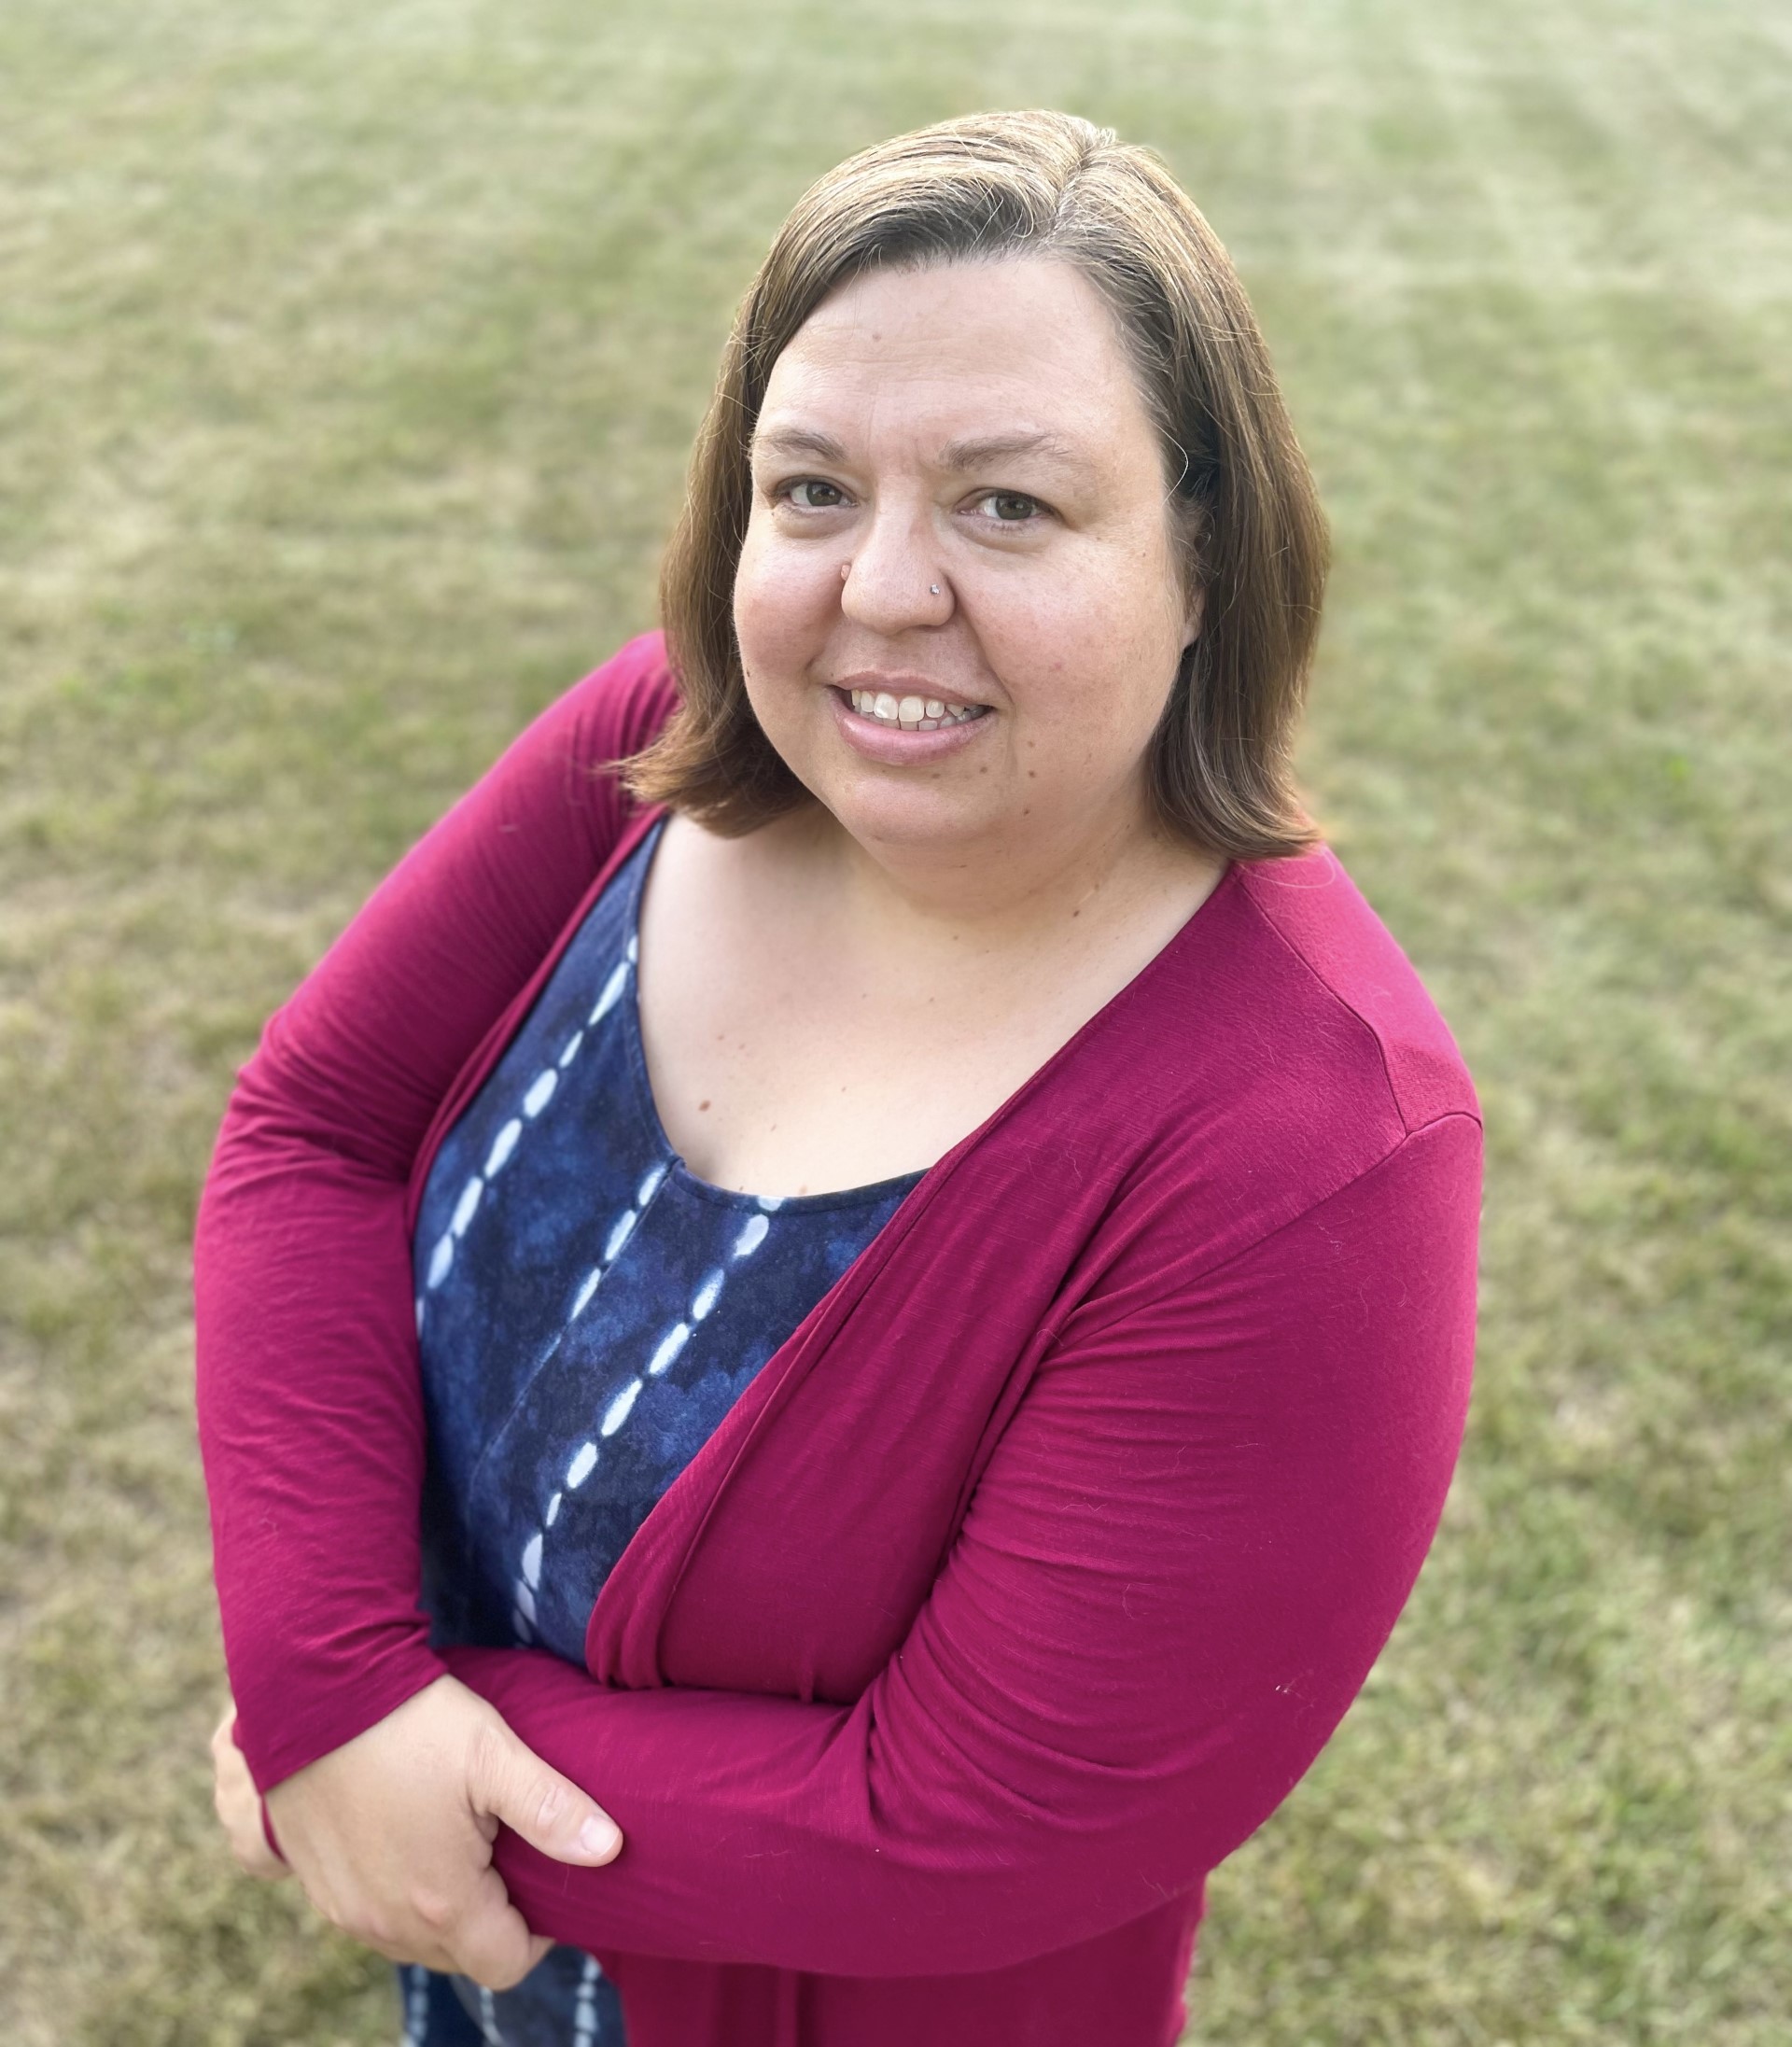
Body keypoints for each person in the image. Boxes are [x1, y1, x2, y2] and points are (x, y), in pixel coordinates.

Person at [196, 108, 1482, 2047]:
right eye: (810, 490)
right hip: (476, 1944)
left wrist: (394, 1750)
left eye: (1007, 505)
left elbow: (975, 1817)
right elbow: (315, 1130)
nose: (881, 587)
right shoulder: (655, 744)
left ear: (1207, 560)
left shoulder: (1314, 1147)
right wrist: (334, 1678)